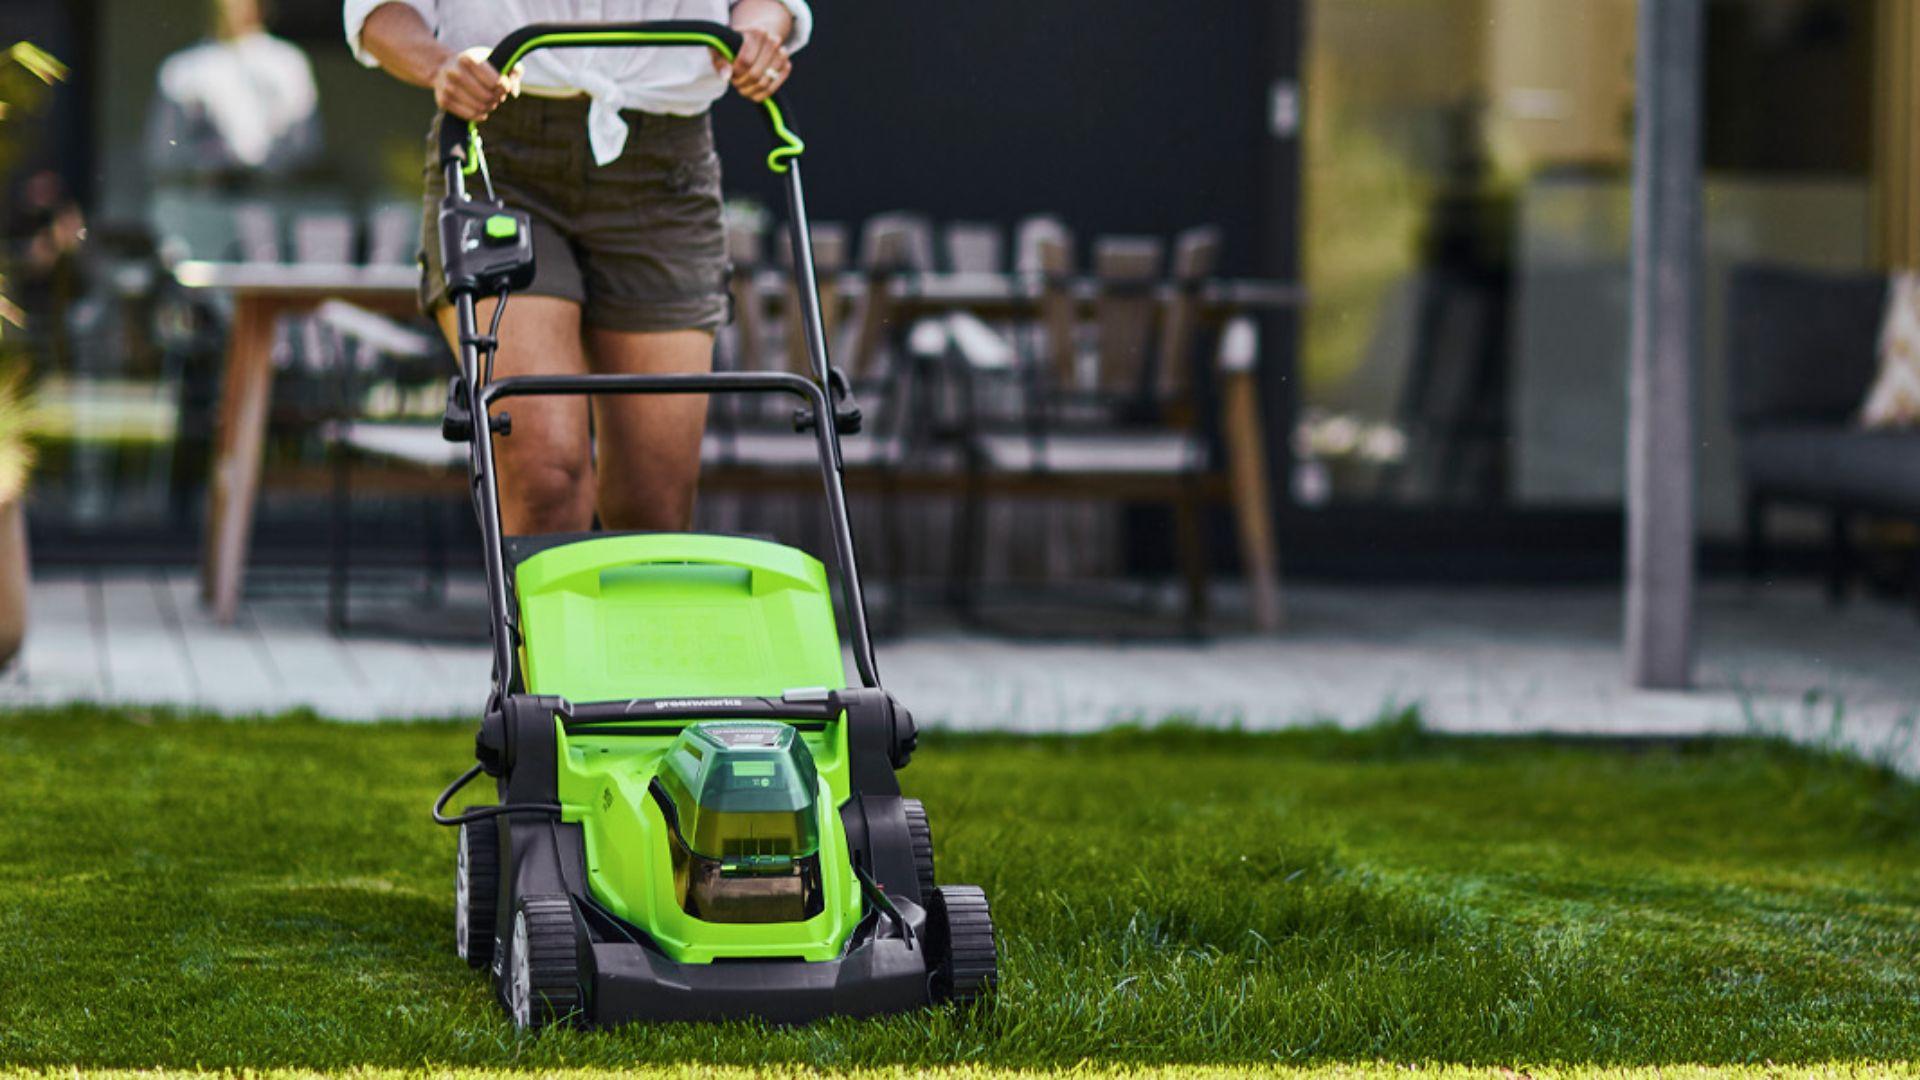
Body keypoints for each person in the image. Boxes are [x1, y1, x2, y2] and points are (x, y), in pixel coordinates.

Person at [346, 0, 811, 536]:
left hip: (666, 165)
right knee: (546, 479)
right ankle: (536, 621)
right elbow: (379, 11)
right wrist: (441, 64)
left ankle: (635, 621)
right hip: (500, 154)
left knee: (652, 504)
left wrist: (752, 39)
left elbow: (765, 6)